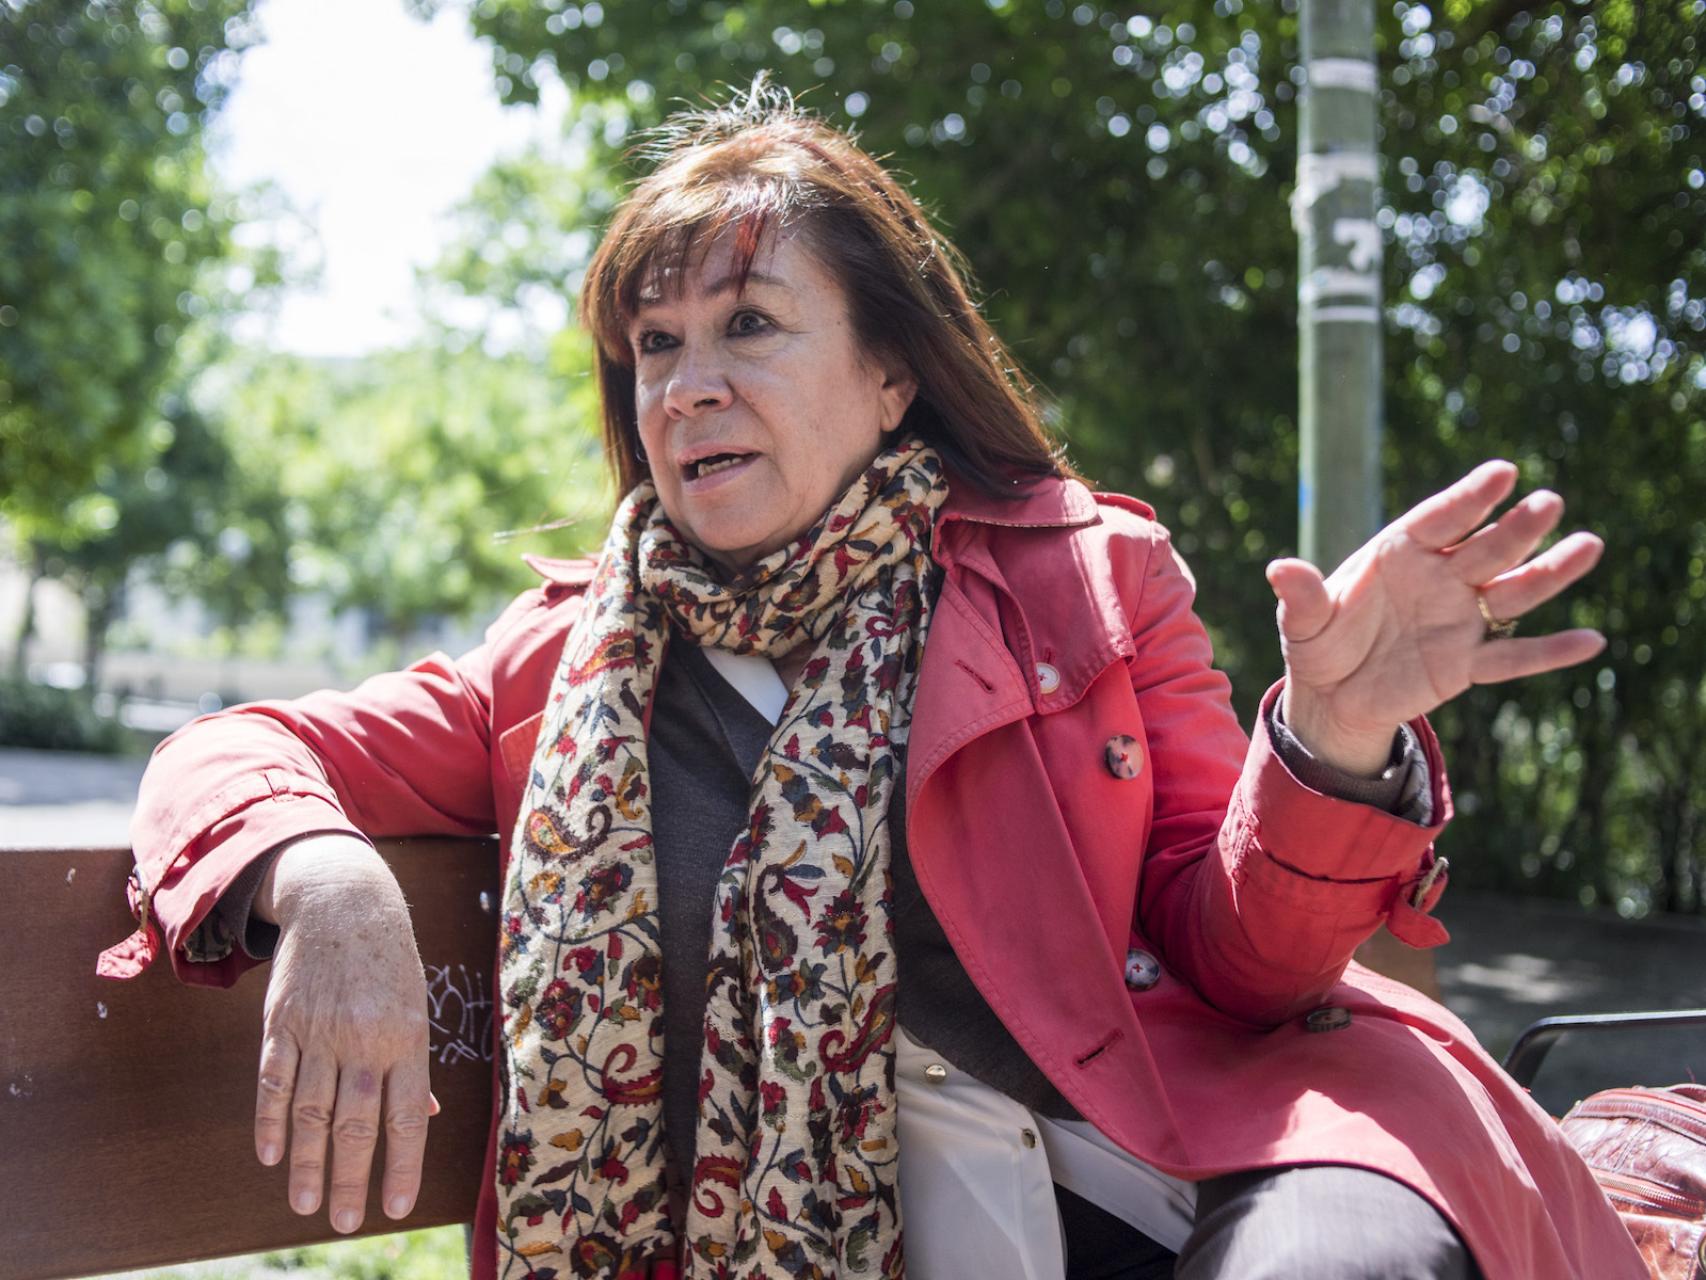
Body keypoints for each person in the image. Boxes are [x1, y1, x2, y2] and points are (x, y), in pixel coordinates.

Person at [104, 77, 1643, 1280]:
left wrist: (1328, 741)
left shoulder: (1082, 579)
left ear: (892, 375)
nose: (685, 382)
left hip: (1208, 1161)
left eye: (748, 326)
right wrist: (334, 887)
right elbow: (234, 748)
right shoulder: (564, 662)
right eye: (652, 346)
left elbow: (1237, 960)